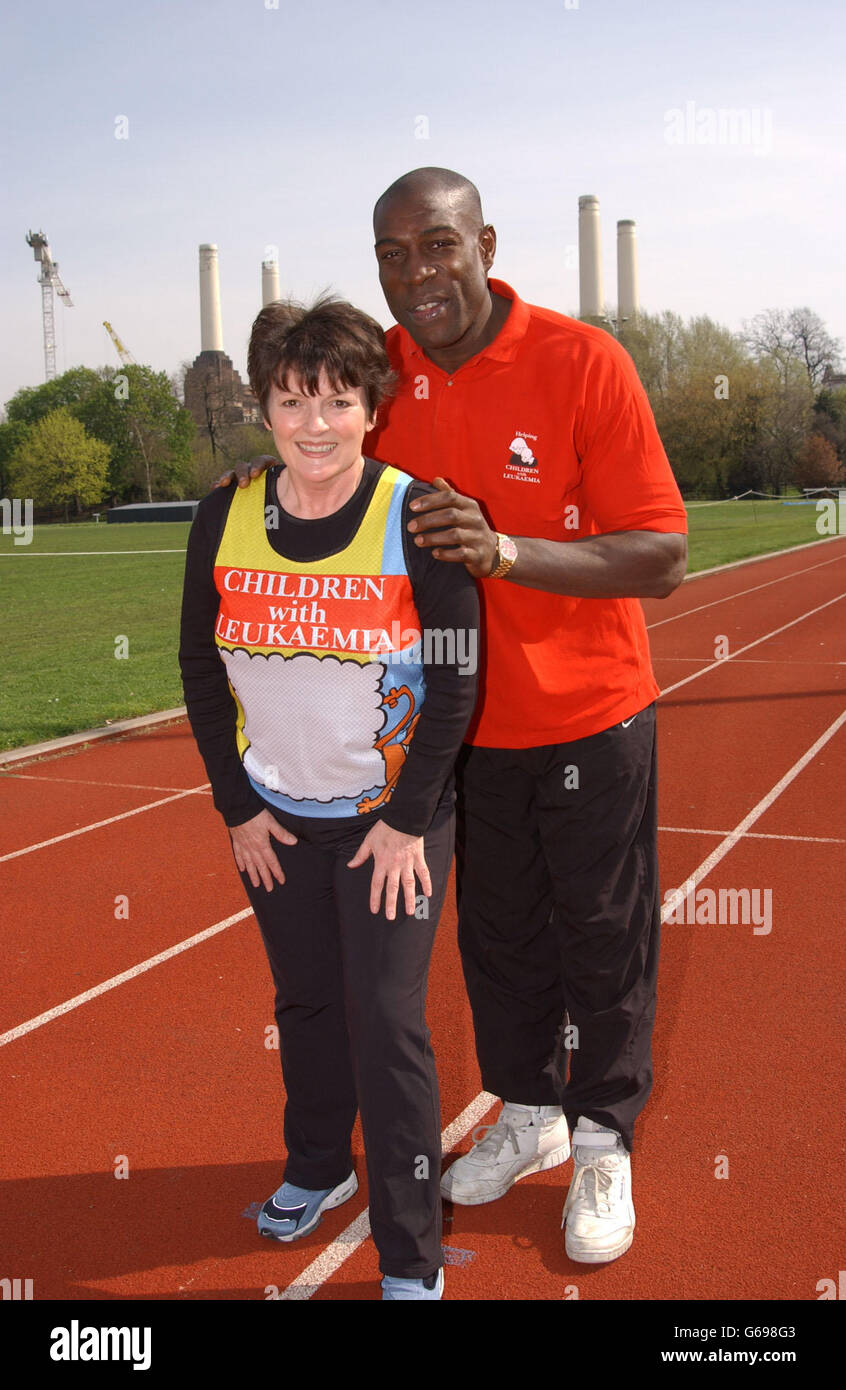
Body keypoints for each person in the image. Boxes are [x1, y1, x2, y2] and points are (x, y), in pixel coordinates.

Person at [222, 167, 688, 1266]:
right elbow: (329, 454)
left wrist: (510, 549)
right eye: (392, 254)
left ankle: (603, 1138)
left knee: (602, 939)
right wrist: (276, 470)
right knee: (496, 939)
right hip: (455, 727)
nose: (416, 274)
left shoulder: (584, 360)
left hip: (588, 715)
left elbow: (663, 555)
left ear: (484, 243)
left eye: (436, 246)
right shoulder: (384, 379)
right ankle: (524, 1111)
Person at [180, 295, 479, 1300]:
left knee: (387, 1018)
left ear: (371, 410)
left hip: (389, 822)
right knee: (305, 1001)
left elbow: (456, 677)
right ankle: (319, 1165)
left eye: (338, 401)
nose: (316, 424)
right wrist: (236, 805)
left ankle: (410, 1250)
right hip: (278, 813)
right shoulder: (224, 513)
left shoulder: (418, 516)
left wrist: (405, 822)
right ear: (264, 408)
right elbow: (194, 661)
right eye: (294, 400)